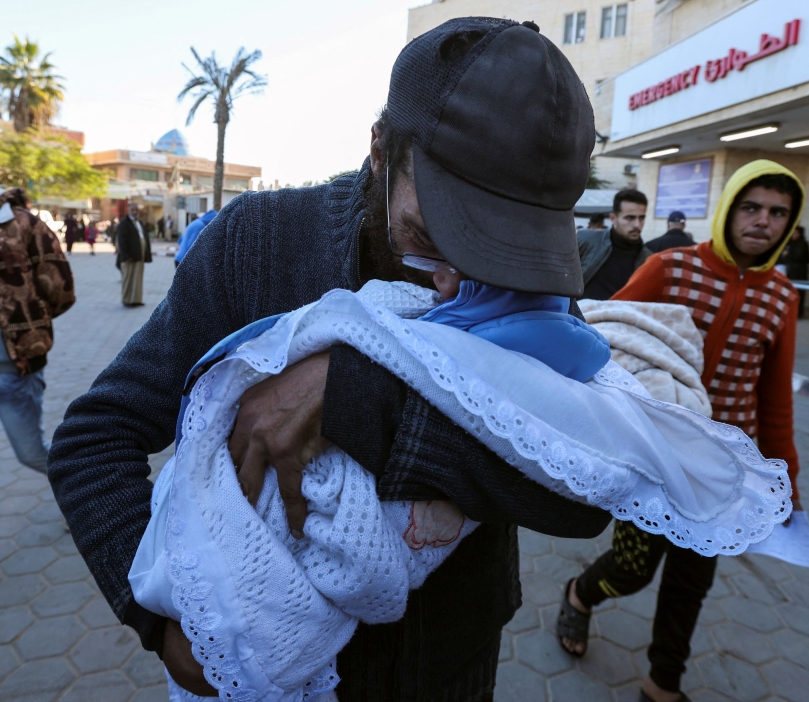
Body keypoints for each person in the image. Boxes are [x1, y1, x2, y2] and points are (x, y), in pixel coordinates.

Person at [49, 18, 614, 700]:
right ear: (381, 148)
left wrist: (360, 396)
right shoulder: (254, 244)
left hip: (449, 663)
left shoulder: (536, 289)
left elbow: (586, 492)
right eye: (434, 235)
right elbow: (93, 438)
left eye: (499, 252)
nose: (455, 282)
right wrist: (161, 623)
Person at [558, 160, 806, 702]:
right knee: (631, 570)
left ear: (788, 224)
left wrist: (790, 487)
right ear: (729, 209)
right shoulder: (669, 268)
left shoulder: (782, 298)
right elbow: (604, 335)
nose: (763, 220)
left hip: (720, 469)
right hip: (655, 452)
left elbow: (775, 401)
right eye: (751, 206)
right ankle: (579, 594)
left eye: (777, 212)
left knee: (691, 584)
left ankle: (662, 682)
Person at [0, 188, 75, 473]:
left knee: (31, 453)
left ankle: (82, 492)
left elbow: (60, 288)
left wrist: (31, 320)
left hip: (14, 368)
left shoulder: (23, 224)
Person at [577, 189, 652, 300]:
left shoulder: (648, 259)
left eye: (641, 218)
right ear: (613, 218)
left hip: (623, 316)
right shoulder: (586, 240)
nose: (637, 224)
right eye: (630, 218)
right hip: (581, 315)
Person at [116, 202, 152, 307]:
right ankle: (127, 301)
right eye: (133, 210)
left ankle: (136, 300)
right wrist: (125, 256)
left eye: (136, 210)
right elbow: (121, 241)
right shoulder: (124, 223)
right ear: (128, 210)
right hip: (129, 257)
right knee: (128, 279)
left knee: (137, 280)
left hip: (139, 256)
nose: (135, 212)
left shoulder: (139, 222)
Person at [781, 224, 809, 317]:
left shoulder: (803, 244)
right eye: (792, 233)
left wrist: (788, 255)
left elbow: (800, 256)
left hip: (799, 271)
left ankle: (798, 313)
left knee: (798, 292)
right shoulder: (789, 243)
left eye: (796, 233)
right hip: (789, 270)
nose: (794, 235)